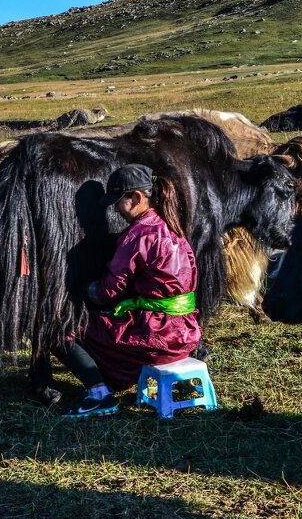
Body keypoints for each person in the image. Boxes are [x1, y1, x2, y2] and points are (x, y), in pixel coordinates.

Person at [60, 164, 202, 418]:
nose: (115, 208)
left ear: (136, 198)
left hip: (155, 335)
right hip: (186, 331)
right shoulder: (173, 228)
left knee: (59, 330)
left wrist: (80, 289)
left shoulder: (137, 235)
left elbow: (107, 292)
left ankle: (99, 395)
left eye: (118, 201)